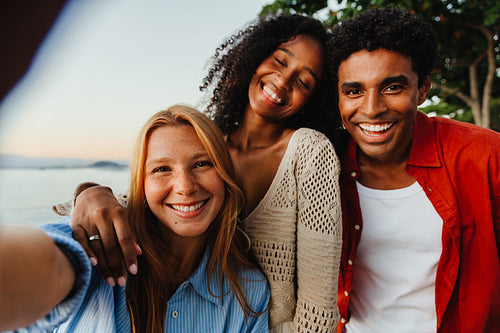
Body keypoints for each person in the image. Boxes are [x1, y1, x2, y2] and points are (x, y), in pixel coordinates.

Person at [61, 14, 343, 332]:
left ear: (313, 99)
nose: (283, 80)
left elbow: (318, 310)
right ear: (255, 54)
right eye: (279, 60)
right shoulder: (208, 145)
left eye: (304, 81)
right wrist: (89, 191)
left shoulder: (309, 151)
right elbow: (149, 199)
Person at [0, 105, 270, 332]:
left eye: (202, 164)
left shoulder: (249, 292)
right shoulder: (93, 244)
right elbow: (44, 264)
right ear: (141, 184)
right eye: (162, 169)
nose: (185, 187)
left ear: (224, 174)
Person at [328, 7, 500, 332]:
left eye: (393, 88)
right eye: (354, 91)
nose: (372, 109)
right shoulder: (324, 165)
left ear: (422, 89)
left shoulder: (485, 156)